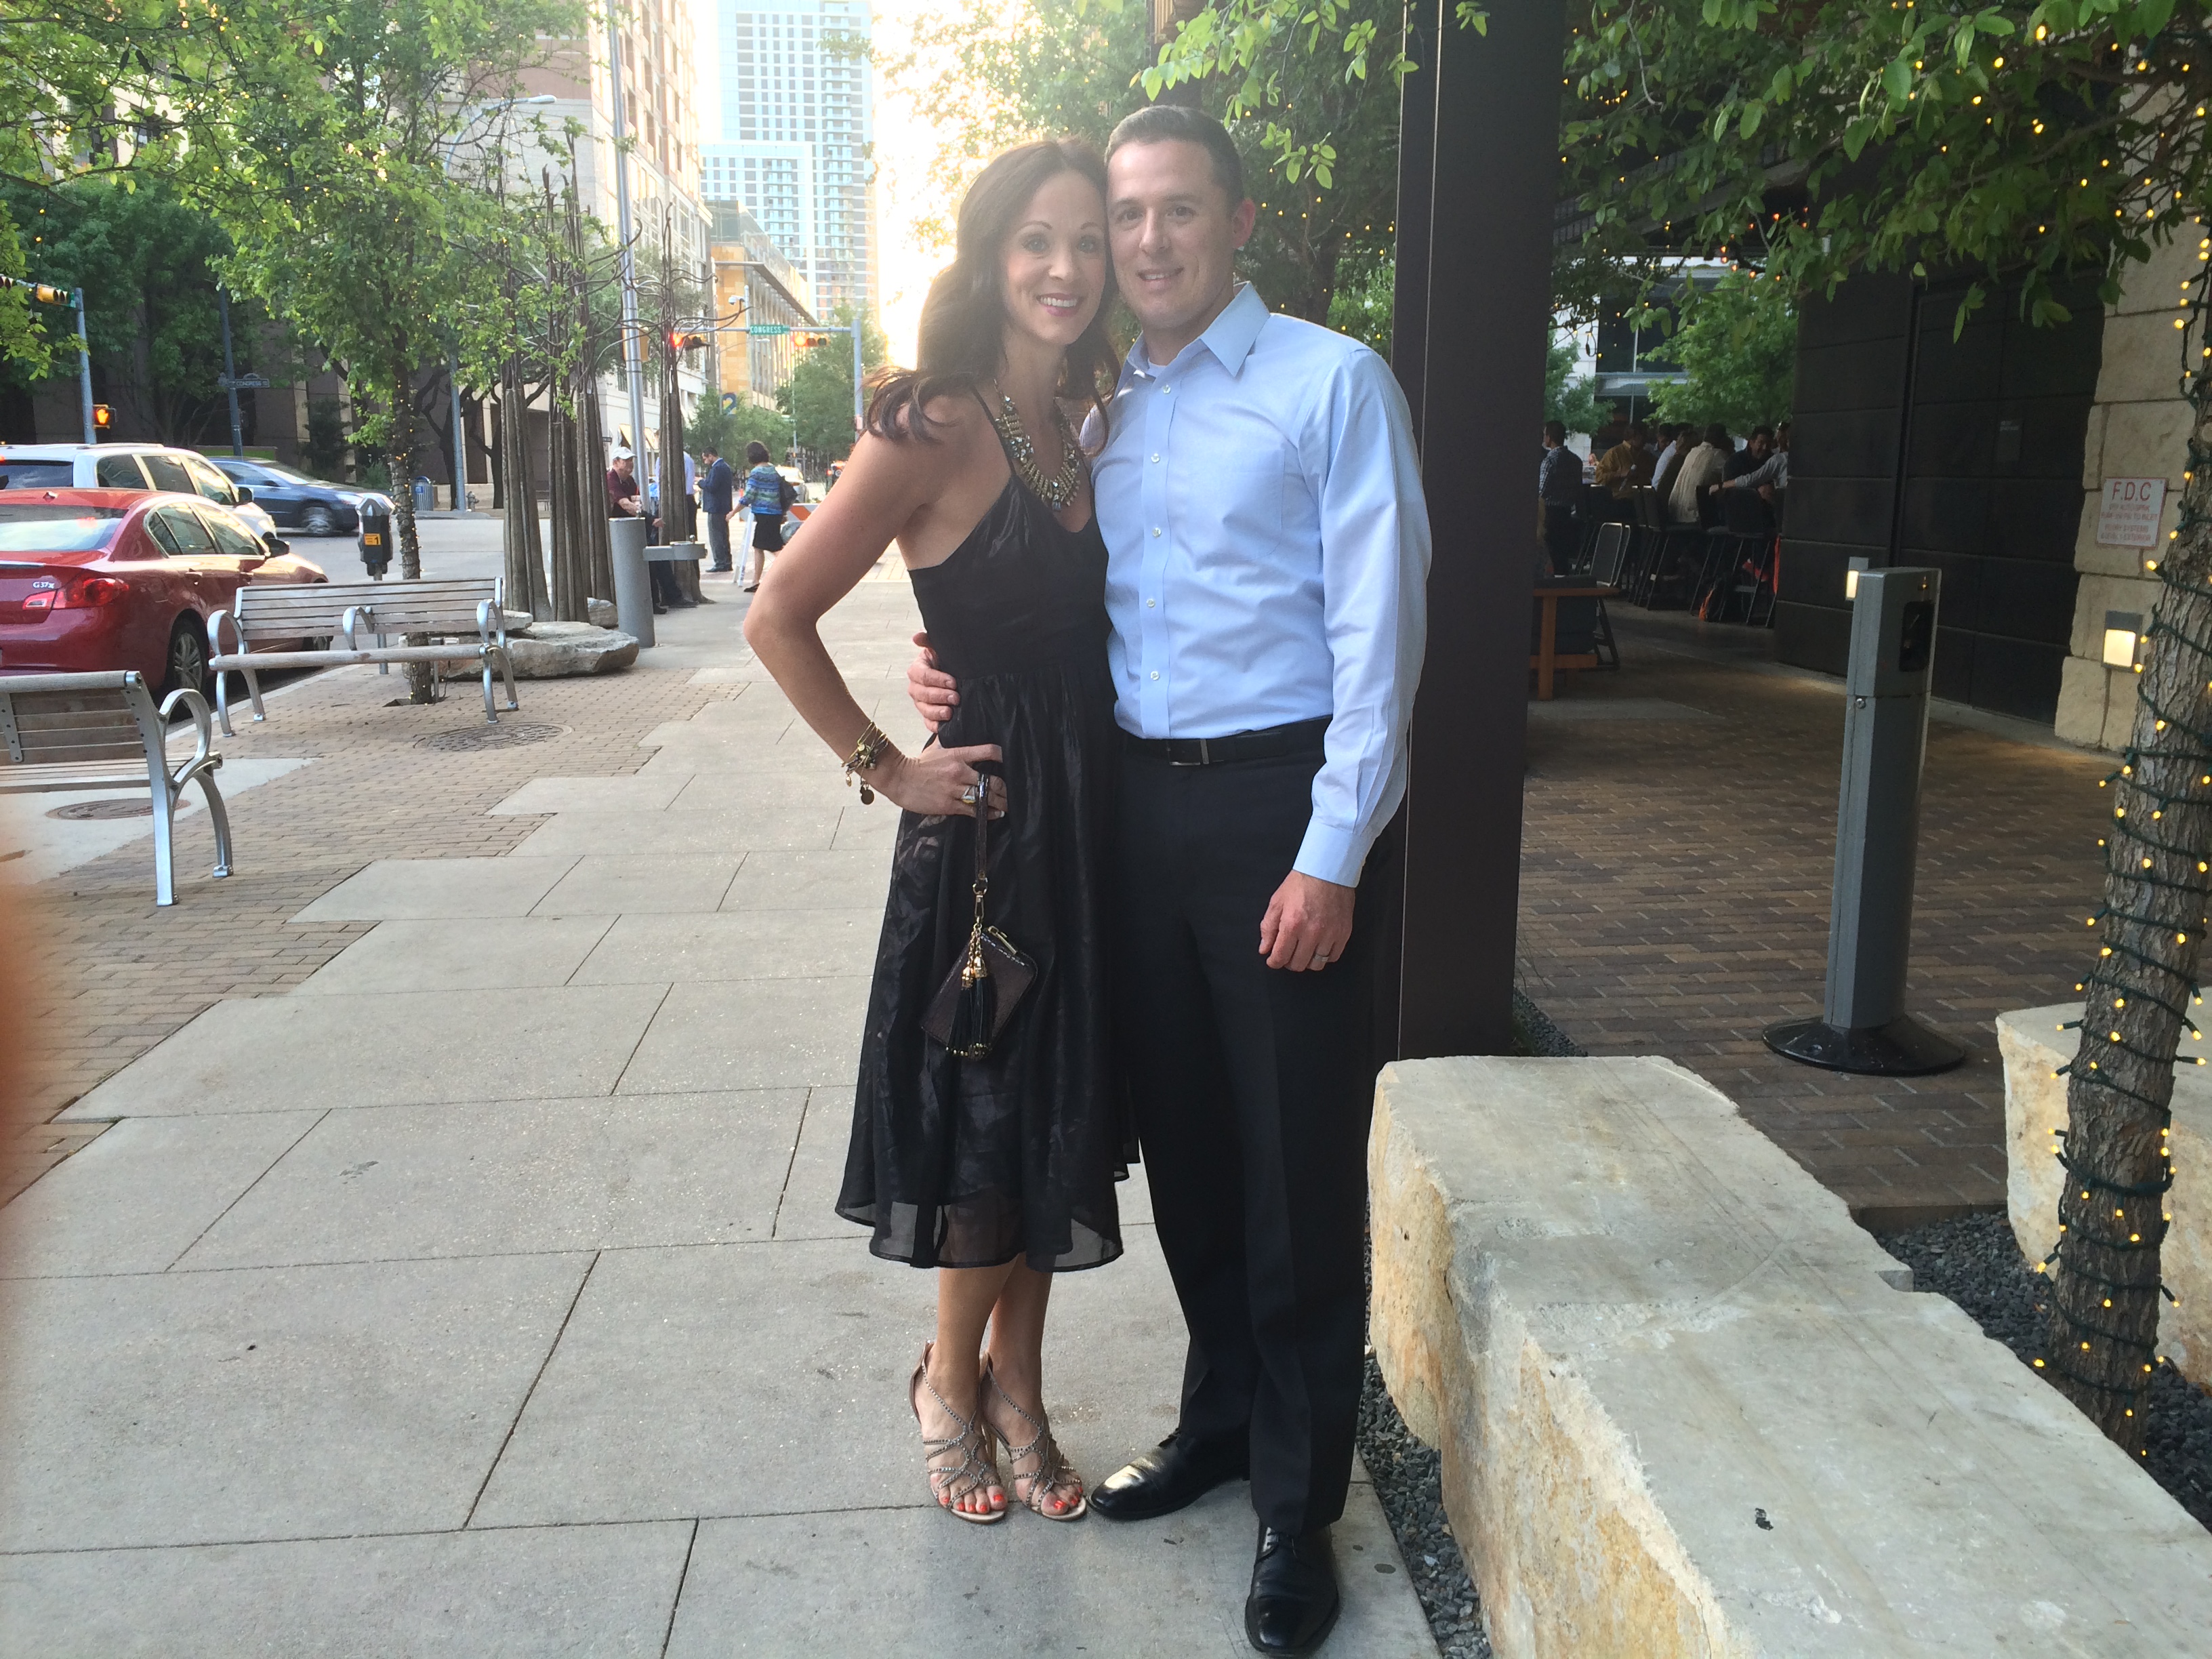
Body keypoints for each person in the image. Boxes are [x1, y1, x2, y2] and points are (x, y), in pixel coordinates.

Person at [909, 104, 1428, 1657]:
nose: (1142, 242)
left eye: (1173, 210)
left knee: (1295, 1171)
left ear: (1238, 220)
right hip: (1129, 814)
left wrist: (1333, 851)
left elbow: (1382, 642)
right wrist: (945, 667)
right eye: (1121, 215)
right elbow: (1043, 587)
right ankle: (1218, 1421)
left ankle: (1298, 1501)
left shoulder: (1330, 382)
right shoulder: (1096, 406)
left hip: (1281, 811)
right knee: (1190, 1152)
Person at [745, 138, 1127, 1534]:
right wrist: (888, 766)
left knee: (1056, 1106)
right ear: (986, 257)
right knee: (989, 1106)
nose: (1065, 268)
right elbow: (776, 613)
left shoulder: (1083, 420)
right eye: (1036, 240)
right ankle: (948, 1385)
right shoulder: (932, 423)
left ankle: (1019, 1384)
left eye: (1086, 241)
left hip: (1091, 815)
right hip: (989, 830)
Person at [740, 441, 786, 592]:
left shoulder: (756, 472)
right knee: (760, 546)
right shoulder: (772, 470)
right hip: (775, 513)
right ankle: (756, 581)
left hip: (764, 514)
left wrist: (733, 512)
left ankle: (791, 570)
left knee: (774, 548)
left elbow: (749, 495)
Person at [1668, 422, 1732, 525]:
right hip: (1694, 519)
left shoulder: (1692, 452)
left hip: (1674, 515)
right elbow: (1733, 475)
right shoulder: (1717, 455)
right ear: (1723, 439)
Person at [1540, 419, 1580, 573]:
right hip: (1566, 513)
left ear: (1549, 437)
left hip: (1550, 513)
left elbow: (1542, 491)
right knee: (1562, 554)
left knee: (1550, 553)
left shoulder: (1549, 461)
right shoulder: (1576, 460)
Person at [699, 442, 737, 573]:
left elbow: (712, 486)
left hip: (716, 507)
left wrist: (701, 482)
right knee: (723, 535)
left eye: (705, 458)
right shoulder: (725, 467)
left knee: (716, 537)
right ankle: (726, 561)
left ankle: (721, 562)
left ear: (711, 456)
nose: (705, 462)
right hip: (723, 506)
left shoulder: (717, 468)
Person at [1590, 420, 1654, 497]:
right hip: (1620, 499)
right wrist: (1619, 474)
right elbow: (1599, 478)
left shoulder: (1647, 456)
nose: (1646, 440)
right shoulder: (1614, 453)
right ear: (1634, 436)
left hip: (1643, 498)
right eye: (1644, 436)